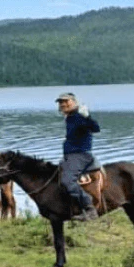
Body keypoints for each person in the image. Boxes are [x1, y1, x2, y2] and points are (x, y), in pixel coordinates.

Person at [55, 92, 100, 221]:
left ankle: (89, 208)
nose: (63, 104)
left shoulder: (79, 116)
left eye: (66, 101)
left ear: (74, 102)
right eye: (60, 102)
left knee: (67, 181)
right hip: (71, 156)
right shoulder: (70, 117)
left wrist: (87, 117)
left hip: (80, 155)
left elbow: (95, 128)